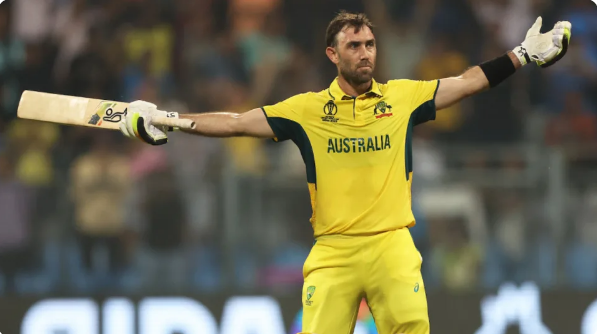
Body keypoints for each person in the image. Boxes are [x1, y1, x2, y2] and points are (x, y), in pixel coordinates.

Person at [118, 11, 571, 334]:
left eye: (370, 44)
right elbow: (235, 123)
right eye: (354, 46)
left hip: (392, 242)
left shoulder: (403, 97)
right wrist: (168, 120)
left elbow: (468, 81)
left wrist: (520, 56)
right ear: (333, 54)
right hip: (333, 252)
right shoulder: (306, 109)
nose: (365, 53)